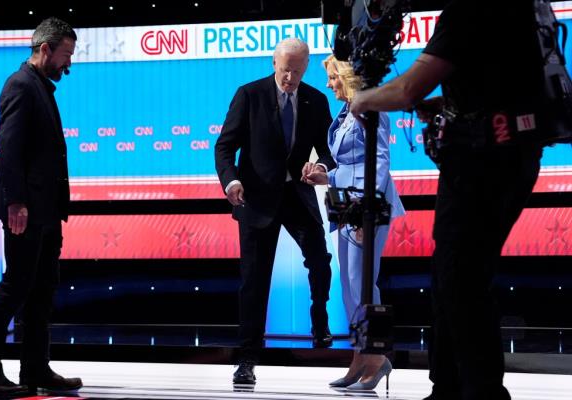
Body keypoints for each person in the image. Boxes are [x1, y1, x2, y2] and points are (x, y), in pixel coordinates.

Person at [350, 1, 544, 399]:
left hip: (483, 163)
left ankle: (481, 391)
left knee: (461, 281)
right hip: (510, 157)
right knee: (451, 278)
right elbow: (499, 84)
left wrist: (362, 99)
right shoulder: (518, 9)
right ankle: (448, 387)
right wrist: (452, 106)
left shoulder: (471, 10)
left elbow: (407, 90)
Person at [214, 38, 337, 385]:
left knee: (319, 258)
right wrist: (231, 182)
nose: (290, 79)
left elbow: (328, 151)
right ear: (274, 64)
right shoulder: (249, 95)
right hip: (255, 199)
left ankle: (320, 322)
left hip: (297, 196)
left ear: (306, 68)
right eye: (285, 71)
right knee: (254, 281)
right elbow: (225, 147)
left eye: (297, 72)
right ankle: (247, 357)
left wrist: (321, 169)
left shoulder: (316, 100)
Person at [0, 17, 83, 395]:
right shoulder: (20, 85)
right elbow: (10, 148)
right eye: (66, 54)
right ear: (45, 49)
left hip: (47, 210)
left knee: (40, 291)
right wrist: (15, 201)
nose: (69, 63)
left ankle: (35, 370)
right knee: (16, 286)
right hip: (26, 209)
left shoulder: (41, 87)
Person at [303, 54, 405, 391]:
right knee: (348, 286)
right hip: (346, 207)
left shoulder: (370, 109)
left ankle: (375, 357)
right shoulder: (348, 112)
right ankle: (360, 356)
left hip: (366, 208)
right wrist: (326, 174)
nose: (329, 84)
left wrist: (367, 208)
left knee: (362, 284)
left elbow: (378, 162)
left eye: (333, 77)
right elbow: (352, 163)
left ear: (346, 76)